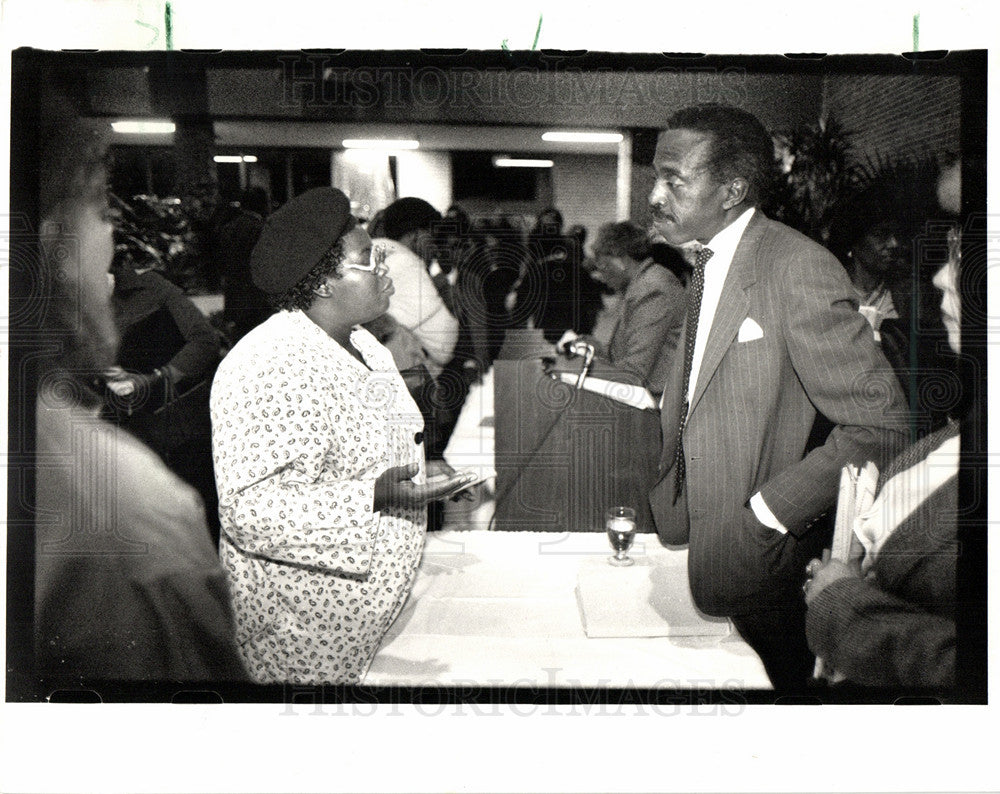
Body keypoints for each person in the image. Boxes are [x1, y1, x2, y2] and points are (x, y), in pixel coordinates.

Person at [646, 104, 909, 690]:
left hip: (765, 569)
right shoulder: (708, 259)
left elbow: (883, 425)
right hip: (697, 541)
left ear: (732, 190)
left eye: (674, 180)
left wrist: (767, 514)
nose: (654, 195)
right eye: (654, 177)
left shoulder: (797, 267)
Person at [210, 187, 475, 684]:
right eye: (368, 258)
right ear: (325, 284)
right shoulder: (270, 365)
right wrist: (374, 495)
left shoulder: (364, 345)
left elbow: (373, 448)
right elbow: (249, 511)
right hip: (301, 641)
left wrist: (422, 468)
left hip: (362, 622)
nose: (385, 267)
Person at [31, 68, 245, 682]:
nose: (109, 235)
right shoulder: (124, 514)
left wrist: (154, 382)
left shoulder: (152, 289)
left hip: (165, 440)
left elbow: (206, 341)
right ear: (53, 244)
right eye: (100, 211)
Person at [802, 162, 965, 689]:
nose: (893, 245)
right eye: (880, 234)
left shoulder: (915, 303)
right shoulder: (822, 294)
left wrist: (846, 603)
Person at [573, 221, 685, 392]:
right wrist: (598, 350)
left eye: (603, 265)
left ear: (621, 259)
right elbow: (628, 355)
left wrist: (572, 369)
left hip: (652, 407)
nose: (601, 275)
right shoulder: (643, 284)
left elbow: (633, 372)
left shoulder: (652, 290)